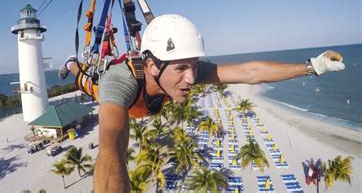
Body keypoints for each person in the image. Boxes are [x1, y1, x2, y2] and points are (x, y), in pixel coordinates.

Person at [58, 14, 345, 193]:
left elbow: (248, 72)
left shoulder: (182, 69)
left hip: (146, 101)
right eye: (181, 68)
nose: (191, 78)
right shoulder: (119, 83)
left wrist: (312, 66)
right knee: (85, 80)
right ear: (151, 65)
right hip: (113, 92)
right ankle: (71, 63)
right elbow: (111, 148)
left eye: (194, 66)